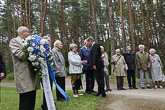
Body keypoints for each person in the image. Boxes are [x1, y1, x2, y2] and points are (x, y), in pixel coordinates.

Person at [9, 26, 37, 110]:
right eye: (28, 32)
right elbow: (19, 54)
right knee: (25, 99)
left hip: (31, 73)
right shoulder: (14, 41)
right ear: (22, 32)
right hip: (23, 74)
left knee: (32, 98)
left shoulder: (29, 41)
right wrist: (32, 51)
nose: (29, 33)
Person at [41, 36, 55, 110]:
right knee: (46, 88)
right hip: (44, 72)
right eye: (49, 41)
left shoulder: (49, 50)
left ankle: (50, 101)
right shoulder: (42, 50)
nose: (50, 42)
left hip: (50, 71)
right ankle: (45, 104)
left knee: (50, 87)